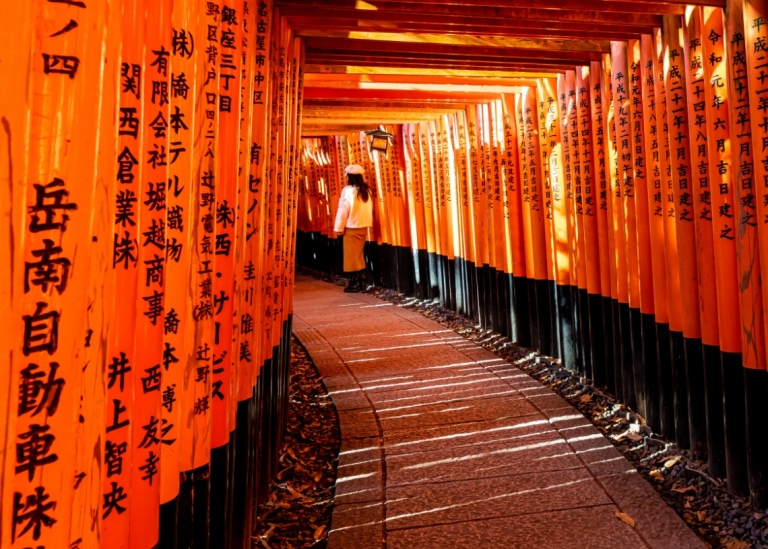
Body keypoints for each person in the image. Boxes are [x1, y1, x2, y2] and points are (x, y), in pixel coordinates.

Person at [334, 164, 374, 293]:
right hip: (363, 226)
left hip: (350, 227)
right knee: (359, 254)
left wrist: (339, 227)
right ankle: (362, 280)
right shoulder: (366, 190)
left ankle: (354, 283)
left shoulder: (348, 190)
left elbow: (343, 210)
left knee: (351, 256)